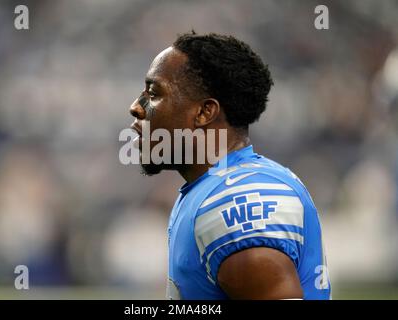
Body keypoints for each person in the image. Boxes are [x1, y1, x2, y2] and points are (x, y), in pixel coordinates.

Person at [128, 31, 331, 300]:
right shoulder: (212, 189)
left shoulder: (234, 201)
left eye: (153, 94)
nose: (136, 107)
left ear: (204, 112)